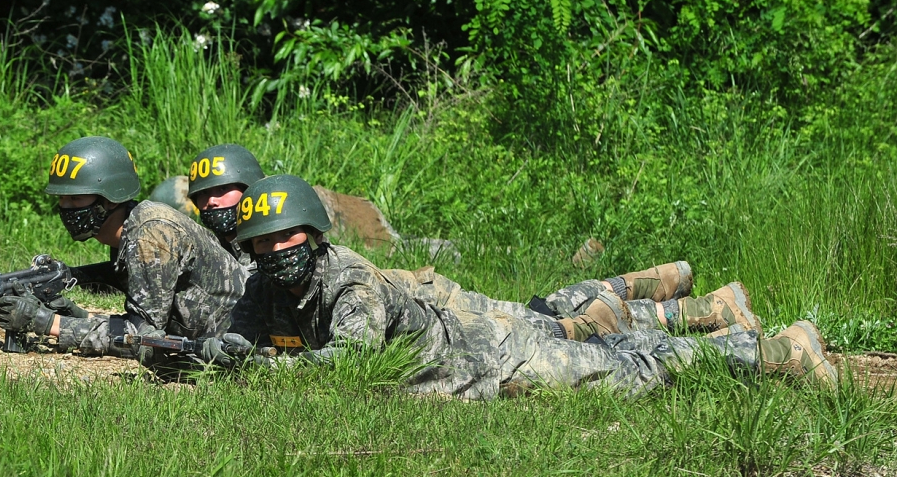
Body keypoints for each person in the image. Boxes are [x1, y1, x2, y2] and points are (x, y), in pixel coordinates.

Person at [197, 174, 836, 399]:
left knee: (634, 373)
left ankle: (782, 352)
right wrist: (207, 353)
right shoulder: (264, 284)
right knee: (618, 356)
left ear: (313, 235)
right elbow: (237, 338)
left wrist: (255, 365)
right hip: (465, 372)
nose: (276, 251)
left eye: (288, 238)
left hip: (490, 354)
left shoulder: (351, 282)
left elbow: (349, 366)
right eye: (263, 242)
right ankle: (715, 315)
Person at [181, 143, 758, 341]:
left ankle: (703, 309)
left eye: (226, 193)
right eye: (204, 197)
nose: (214, 205)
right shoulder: (248, 245)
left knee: (547, 322)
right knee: (547, 311)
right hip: (404, 296)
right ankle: (672, 286)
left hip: (418, 296)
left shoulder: (283, 231)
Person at [0, 135, 249, 360]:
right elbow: (142, 325)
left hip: (241, 347)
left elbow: (142, 338)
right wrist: (78, 316)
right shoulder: (131, 229)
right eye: (62, 198)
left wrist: (48, 323)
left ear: (108, 198)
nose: (67, 207)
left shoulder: (151, 233)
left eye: (76, 197)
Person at [185, 143, 264, 267]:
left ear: (248, 189)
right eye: (203, 193)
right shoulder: (206, 251)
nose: (211, 201)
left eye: (223, 189)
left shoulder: (271, 246)